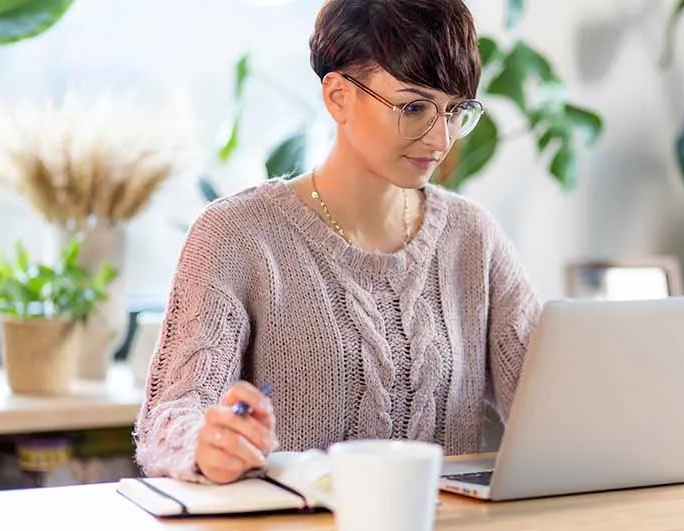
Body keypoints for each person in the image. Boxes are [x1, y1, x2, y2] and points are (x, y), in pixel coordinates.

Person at [133, 0, 541, 485]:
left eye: (455, 112)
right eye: (413, 107)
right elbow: (170, 417)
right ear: (338, 97)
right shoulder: (235, 236)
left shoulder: (473, 238)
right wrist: (207, 443)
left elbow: (552, 402)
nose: (440, 138)